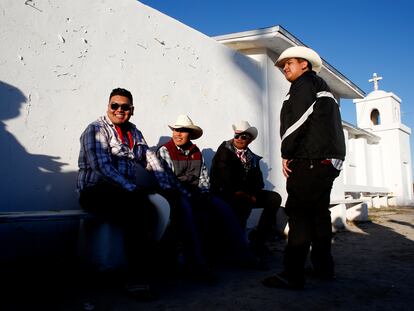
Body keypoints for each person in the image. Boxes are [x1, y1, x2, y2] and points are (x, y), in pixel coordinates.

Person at [262, 46, 346, 290]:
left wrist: (286, 152)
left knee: (299, 216)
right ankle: (323, 267)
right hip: (324, 161)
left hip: (309, 160)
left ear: (305, 65)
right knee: (319, 215)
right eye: (283, 64)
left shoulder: (304, 85)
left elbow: (297, 121)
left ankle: (292, 274)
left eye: (290, 62)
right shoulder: (319, 86)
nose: (285, 67)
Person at [77, 88, 171, 299]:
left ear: (132, 109)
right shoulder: (96, 129)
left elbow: (150, 159)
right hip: (95, 191)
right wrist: (131, 189)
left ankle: (153, 266)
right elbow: (101, 167)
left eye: (125, 107)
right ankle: (135, 278)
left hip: (124, 191)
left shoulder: (134, 132)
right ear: (108, 106)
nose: (120, 110)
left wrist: (166, 186)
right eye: (115, 105)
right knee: (139, 211)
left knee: (159, 206)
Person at [157, 115, 262, 277]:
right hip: (175, 195)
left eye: (183, 131)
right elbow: (169, 182)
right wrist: (193, 196)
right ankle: (198, 264)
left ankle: (243, 254)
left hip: (195, 194)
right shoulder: (165, 150)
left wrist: (204, 194)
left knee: (224, 208)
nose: (178, 134)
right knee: (190, 214)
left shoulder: (195, 151)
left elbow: (203, 178)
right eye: (176, 130)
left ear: (189, 134)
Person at [210, 120, 281, 262]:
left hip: (246, 194)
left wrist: (252, 194)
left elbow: (259, 181)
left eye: (243, 136)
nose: (239, 139)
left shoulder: (251, 157)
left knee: (274, 198)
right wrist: (243, 194)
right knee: (241, 202)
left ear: (250, 139)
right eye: (237, 135)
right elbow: (224, 178)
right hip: (225, 194)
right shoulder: (224, 151)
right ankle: (240, 249)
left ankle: (258, 242)